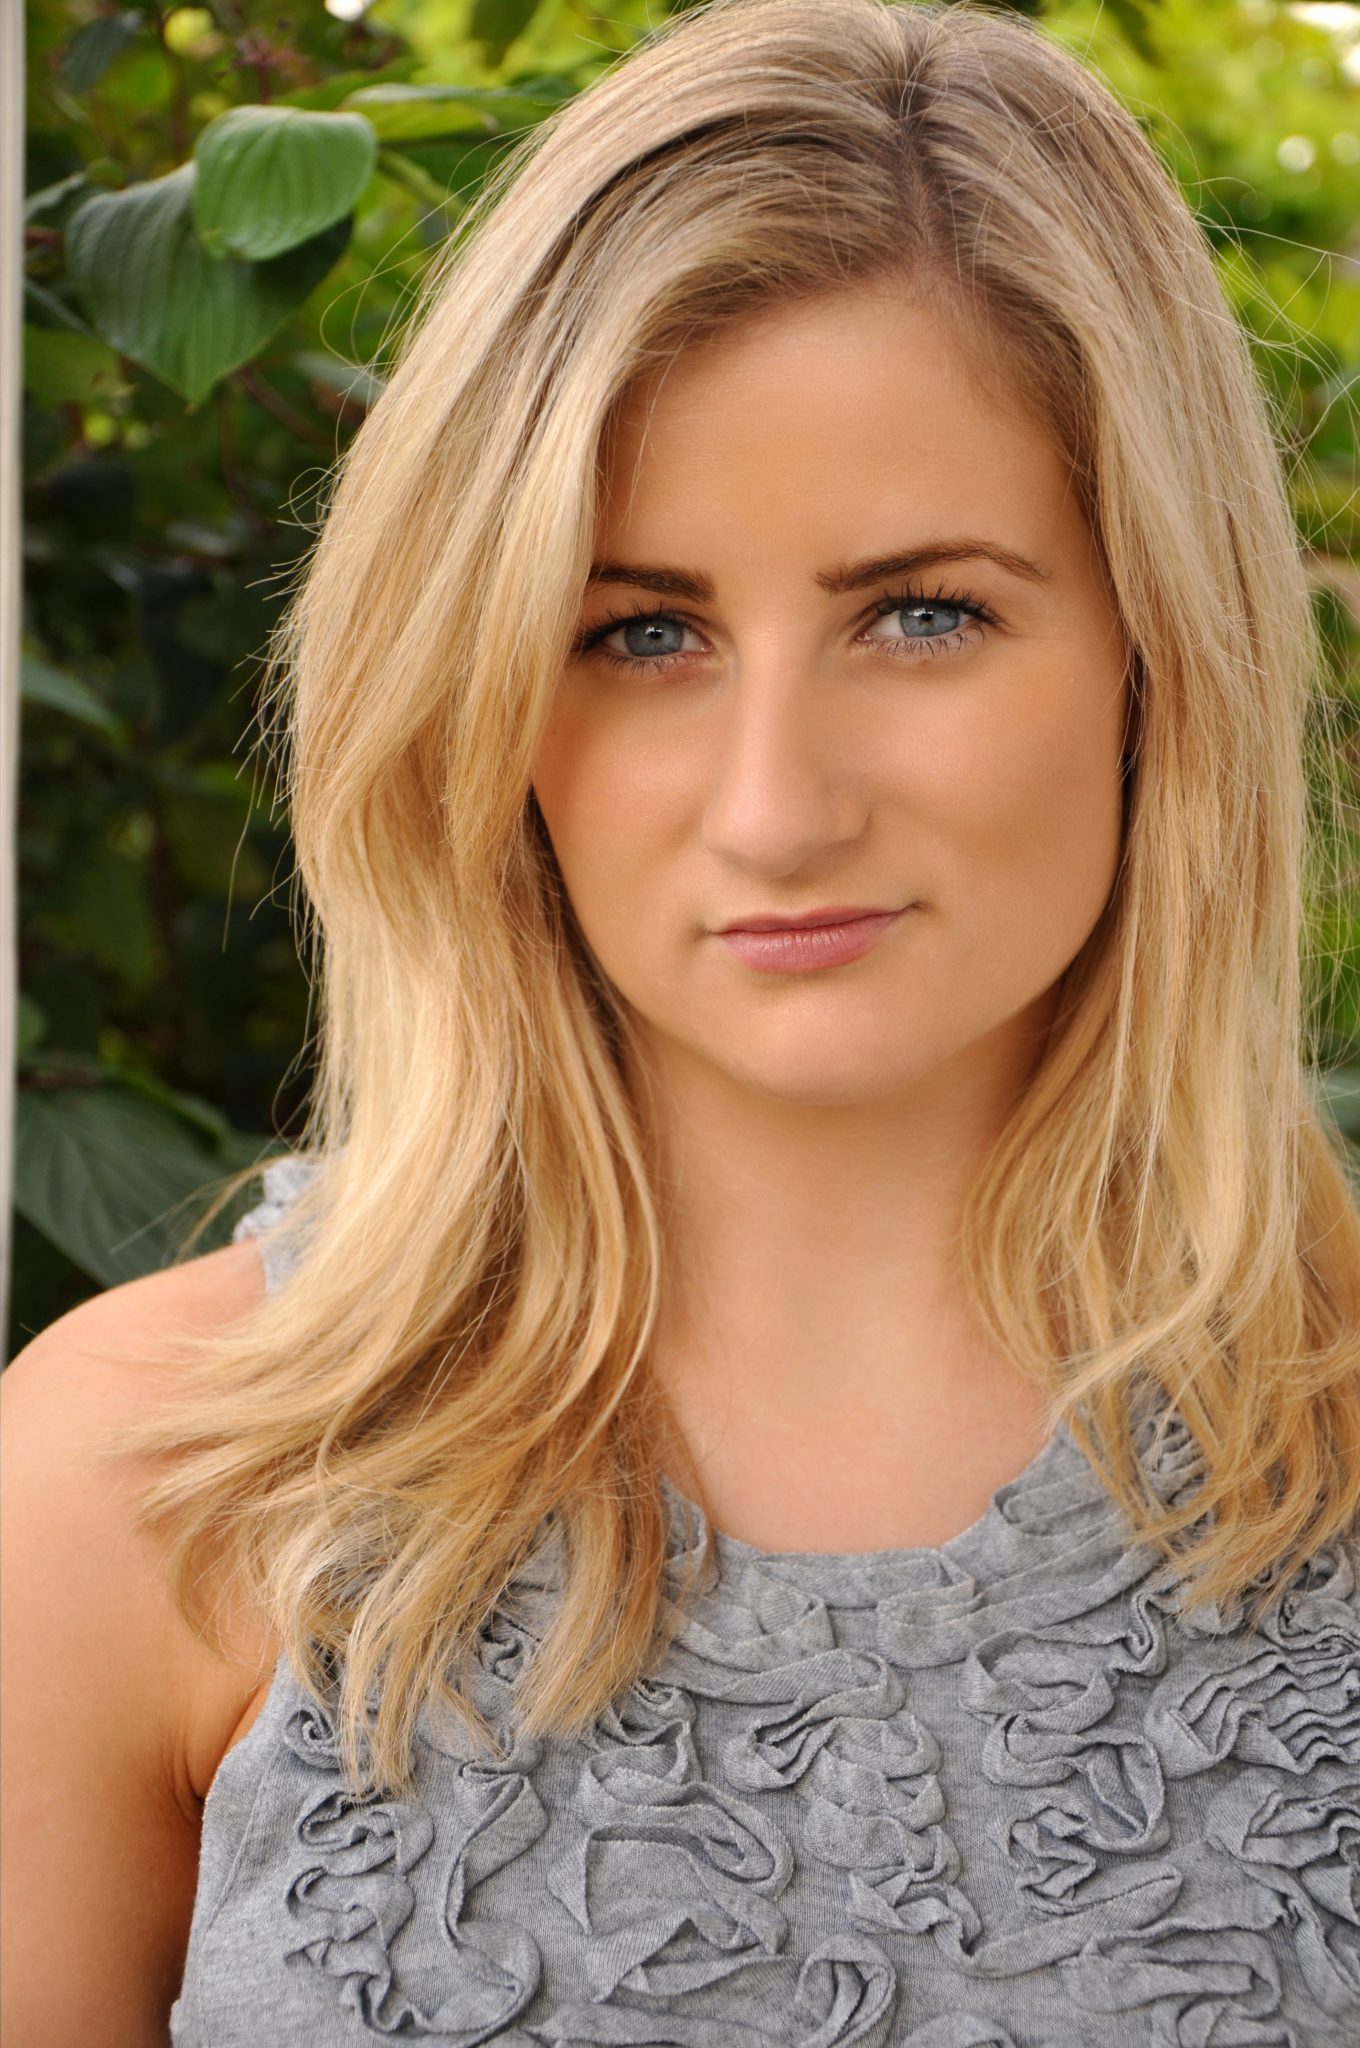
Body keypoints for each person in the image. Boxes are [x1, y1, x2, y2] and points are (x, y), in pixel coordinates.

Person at [4, 0, 1359, 2040]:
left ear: (1157, 650)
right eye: (639, 632)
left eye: (921, 613)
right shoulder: (137, 1487)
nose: (772, 806)